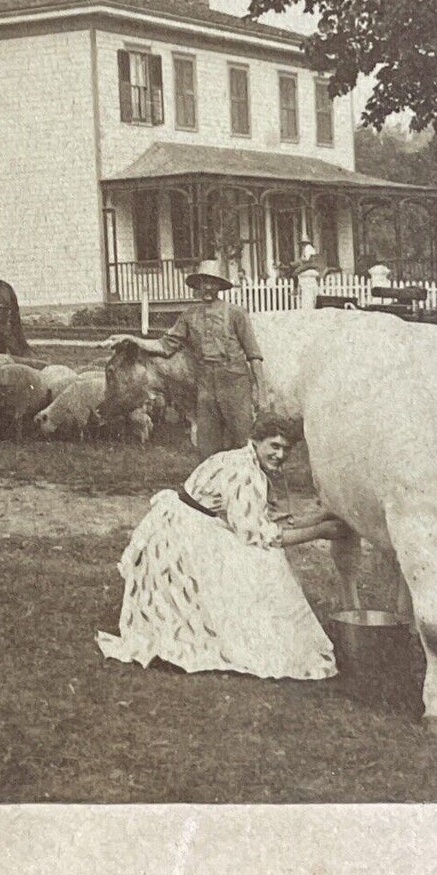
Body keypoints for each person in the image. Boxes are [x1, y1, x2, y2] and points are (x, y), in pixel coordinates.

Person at [96, 414, 345, 680]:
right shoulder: (245, 473)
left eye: (286, 448)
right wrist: (319, 532)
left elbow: (259, 519)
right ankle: (265, 635)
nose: (280, 454)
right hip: (181, 537)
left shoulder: (241, 458)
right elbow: (261, 535)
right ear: (256, 441)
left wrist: (316, 518)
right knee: (266, 561)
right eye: (274, 446)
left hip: (184, 525)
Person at [144, 260, 266, 458]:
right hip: (206, 384)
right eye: (203, 282)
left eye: (213, 282)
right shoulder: (189, 316)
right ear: (198, 286)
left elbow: (254, 355)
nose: (208, 287)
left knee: (243, 440)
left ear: (219, 286)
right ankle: (211, 485)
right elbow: (165, 345)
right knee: (208, 443)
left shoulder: (236, 313)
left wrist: (261, 394)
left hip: (235, 381)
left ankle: (252, 484)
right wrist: (130, 339)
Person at [294, 238, 321, 309]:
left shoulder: (308, 248)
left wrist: (299, 262)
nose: (302, 245)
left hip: (309, 264)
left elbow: (307, 259)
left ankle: (295, 288)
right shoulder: (308, 248)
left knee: (295, 272)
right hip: (309, 264)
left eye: (302, 244)